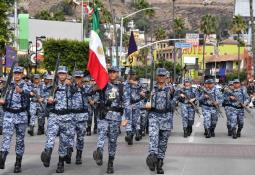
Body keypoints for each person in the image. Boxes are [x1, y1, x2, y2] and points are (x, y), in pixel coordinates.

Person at [93, 66, 125, 174]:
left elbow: (126, 103)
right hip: (103, 116)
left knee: (112, 141)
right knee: (101, 135)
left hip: (115, 118)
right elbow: (91, 94)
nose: (112, 74)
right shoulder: (102, 85)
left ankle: (110, 163)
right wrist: (95, 89)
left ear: (118, 74)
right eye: (110, 72)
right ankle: (99, 154)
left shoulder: (122, 87)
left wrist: (125, 118)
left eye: (114, 72)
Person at [0, 66, 33, 173]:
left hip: (21, 115)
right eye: (15, 73)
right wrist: (2, 100)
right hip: (9, 115)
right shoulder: (8, 85)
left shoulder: (26, 85)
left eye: (19, 73)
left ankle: (18, 163)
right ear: (13, 74)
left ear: (22, 75)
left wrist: (22, 91)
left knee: (19, 141)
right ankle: (2, 158)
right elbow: (3, 96)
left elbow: (31, 93)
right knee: (6, 138)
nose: (17, 75)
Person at [40, 66, 73, 173]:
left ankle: (61, 163)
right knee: (50, 136)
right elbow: (42, 98)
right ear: (57, 75)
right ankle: (48, 154)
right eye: (60, 73)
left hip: (66, 118)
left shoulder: (71, 86)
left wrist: (72, 84)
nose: (62, 75)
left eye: (64, 74)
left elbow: (79, 91)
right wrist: (48, 100)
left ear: (67, 74)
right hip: (54, 116)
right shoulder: (52, 86)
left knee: (64, 141)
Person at [144, 68, 175, 174]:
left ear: (166, 77)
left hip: (167, 117)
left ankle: (160, 162)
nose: (161, 78)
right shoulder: (151, 88)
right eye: (159, 76)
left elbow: (176, 102)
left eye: (163, 76)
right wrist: (146, 103)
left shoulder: (172, 89)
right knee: (153, 138)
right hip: (154, 116)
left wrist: (177, 99)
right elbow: (145, 100)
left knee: (163, 142)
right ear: (156, 76)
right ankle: (152, 157)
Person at [124, 69, 145, 145]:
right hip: (127, 104)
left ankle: (133, 134)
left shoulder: (139, 83)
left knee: (135, 121)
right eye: (131, 75)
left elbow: (144, 91)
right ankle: (129, 136)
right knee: (128, 121)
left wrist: (136, 84)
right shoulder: (125, 83)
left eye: (133, 74)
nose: (132, 76)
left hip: (136, 104)